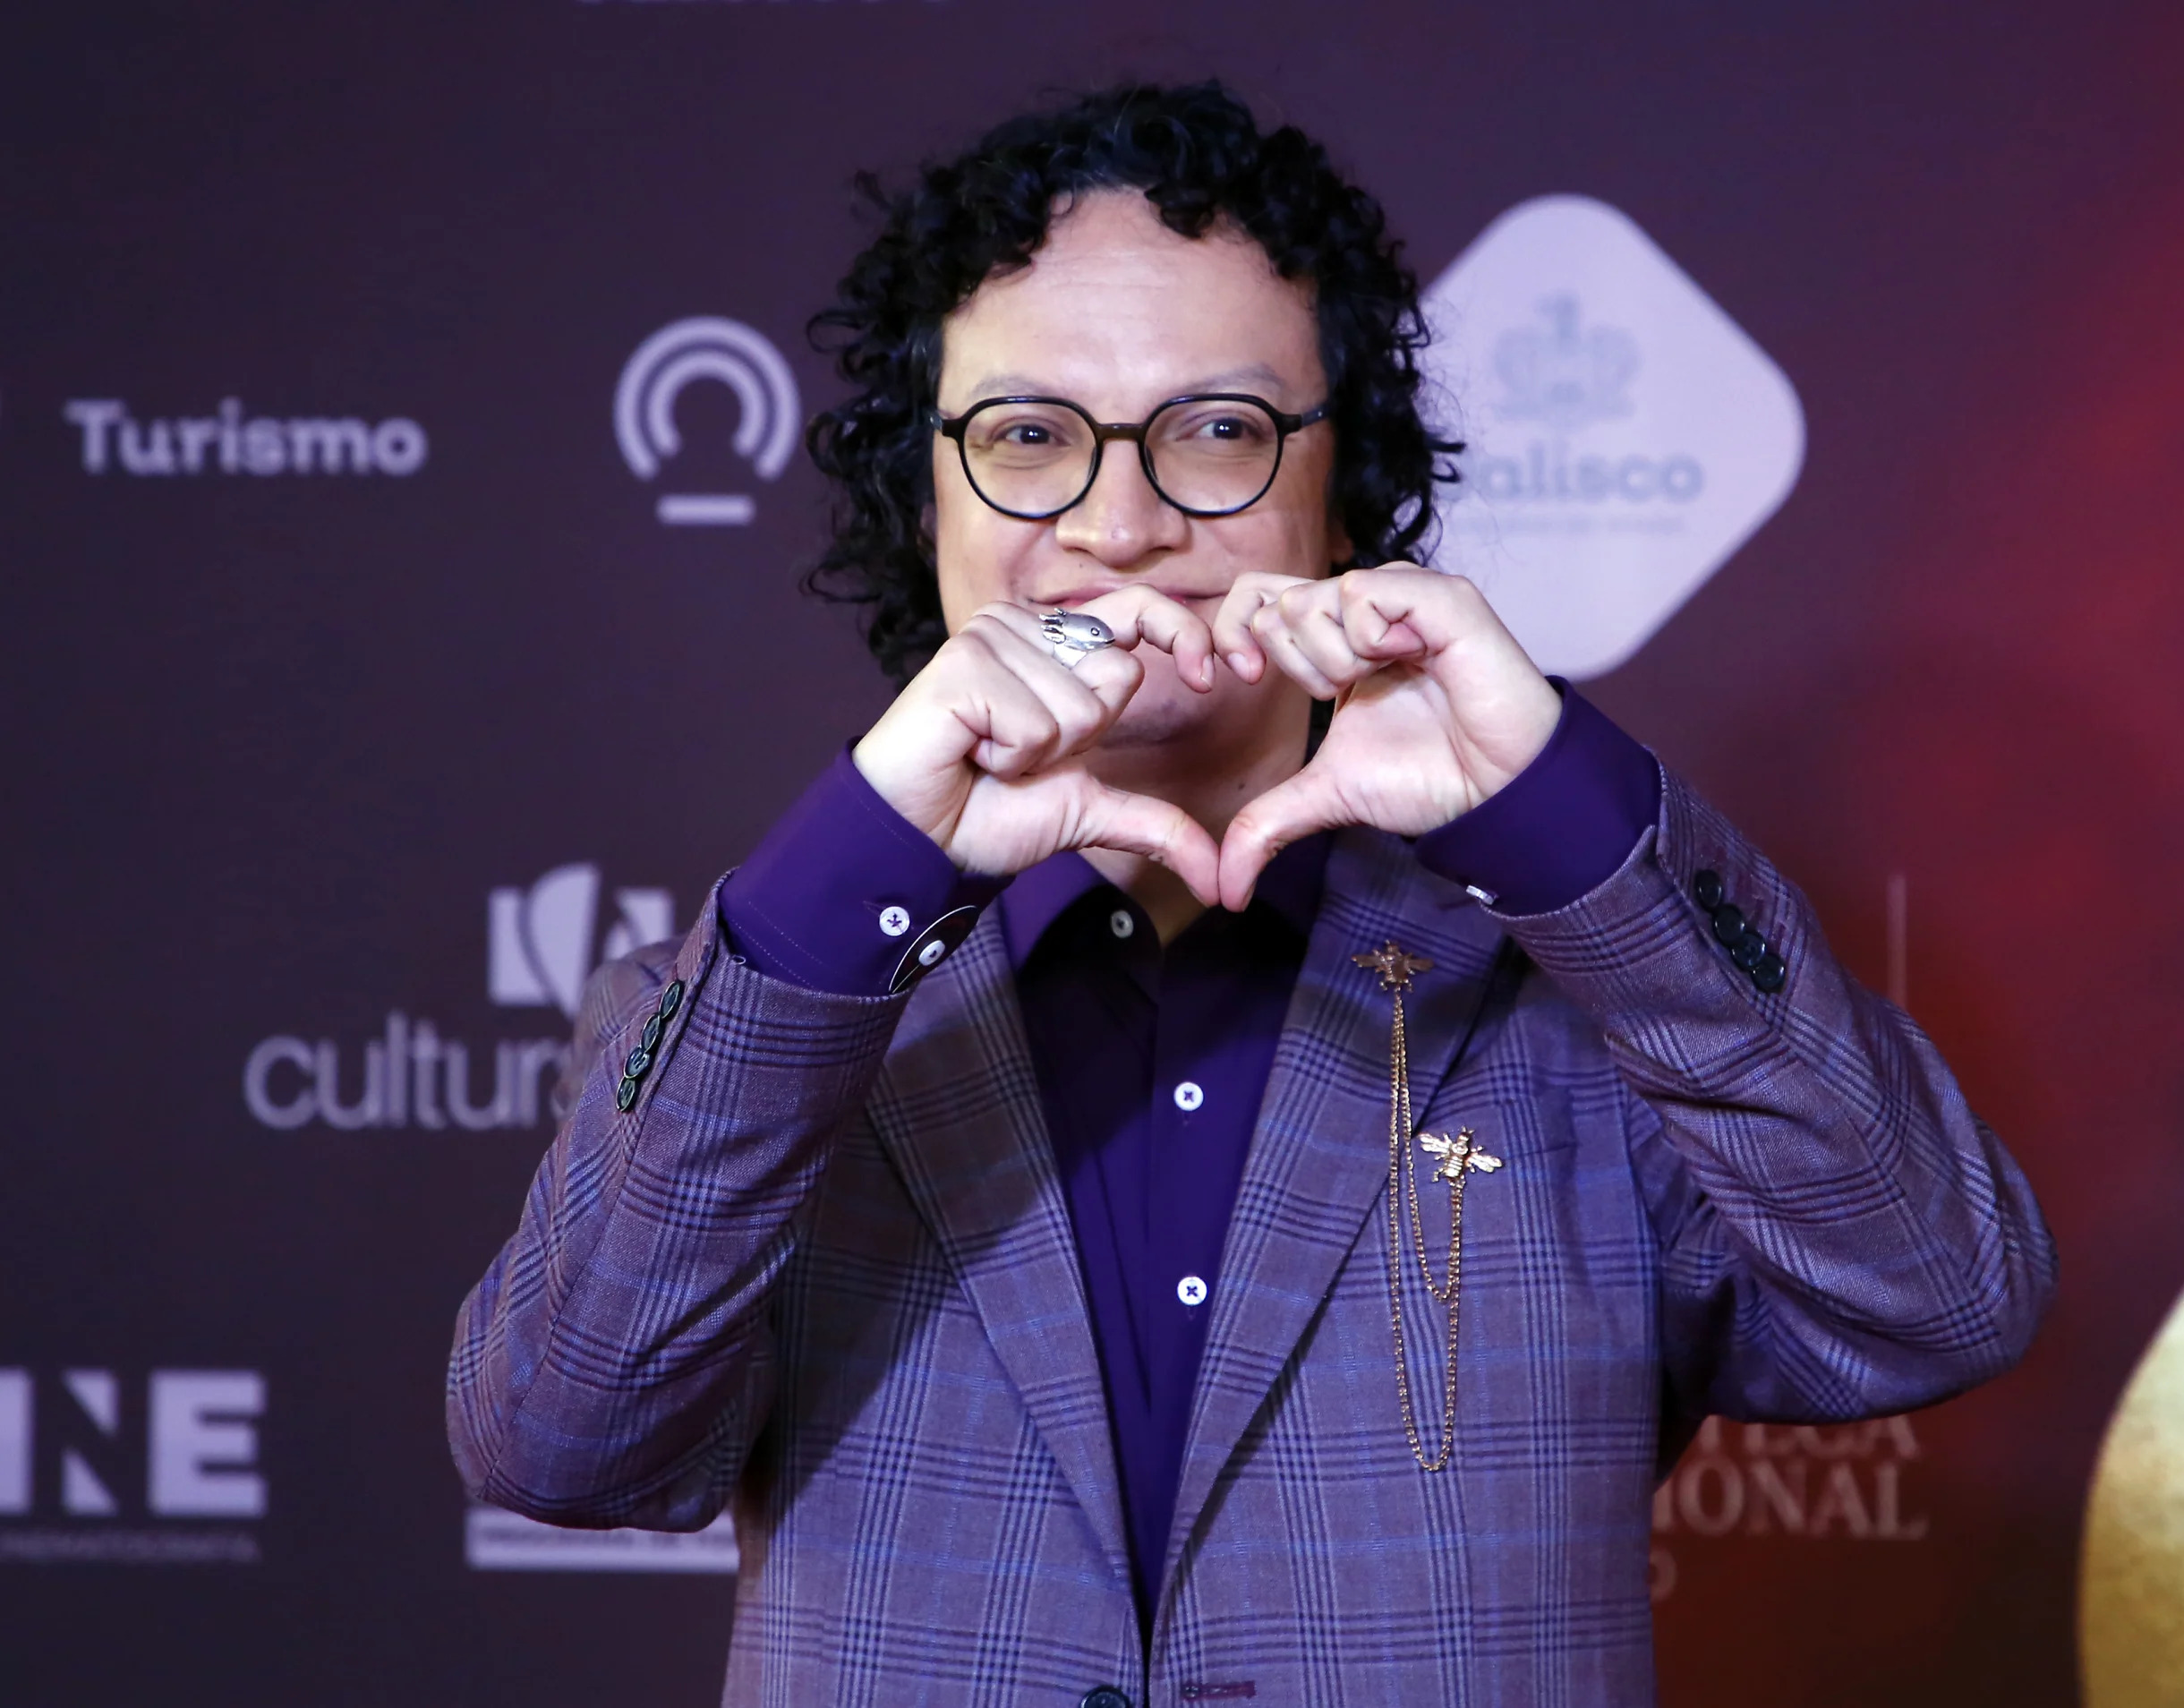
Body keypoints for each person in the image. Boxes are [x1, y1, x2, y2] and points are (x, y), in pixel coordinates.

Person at [448, 81, 2054, 1706]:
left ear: (1344, 491)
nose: (1120, 523)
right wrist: (850, 870)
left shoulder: (1586, 996)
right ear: (921, 498)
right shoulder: (750, 1009)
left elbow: (1939, 1298)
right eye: (1026, 437)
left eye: (1217, 431)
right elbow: (566, 1442)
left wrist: (1563, 819)